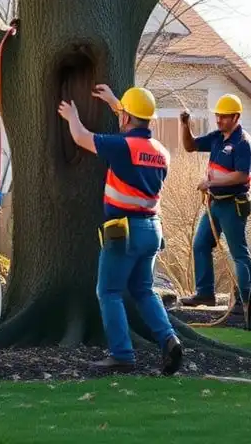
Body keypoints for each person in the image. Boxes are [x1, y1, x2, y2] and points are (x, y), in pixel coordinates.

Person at [57, 83, 184, 375]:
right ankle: (169, 339)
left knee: (109, 291)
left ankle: (122, 354)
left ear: (126, 118)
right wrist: (118, 103)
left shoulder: (121, 146)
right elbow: (134, 124)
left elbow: (81, 137)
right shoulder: (162, 152)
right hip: (152, 229)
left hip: (123, 231)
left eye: (123, 114)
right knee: (143, 290)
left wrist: (72, 115)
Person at [177, 94, 251, 315]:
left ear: (236, 117)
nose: (219, 120)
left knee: (238, 253)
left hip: (233, 204)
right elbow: (190, 146)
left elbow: (241, 176)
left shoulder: (243, 143)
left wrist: (211, 181)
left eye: (223, 116)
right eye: (218, 116)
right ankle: (205, 293)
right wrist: (185, 125)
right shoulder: (216, 138)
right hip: (214, 203)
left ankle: (244, 300)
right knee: (200, 244)